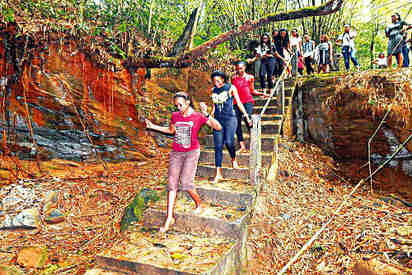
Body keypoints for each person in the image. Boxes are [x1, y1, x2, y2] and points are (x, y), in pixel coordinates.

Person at [145, 92, 222, 233]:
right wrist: (152, 126)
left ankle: (199, 203)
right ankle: (169, 218)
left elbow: (218, 127)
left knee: (186, 183)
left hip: (192, 152)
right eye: (176, 105)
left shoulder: (198, 116)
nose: (178, 107)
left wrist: (206, 114)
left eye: (181, 104)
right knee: (172, 184)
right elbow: (170, 130)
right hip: (176, 152)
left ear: (187, 102)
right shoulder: (175, 116)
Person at [210, 71, 252, 182]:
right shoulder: (213, 90)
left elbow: (238, 103)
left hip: (230, 119)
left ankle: (233, 159)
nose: (216, 83)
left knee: (229, 142)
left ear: (223, 79)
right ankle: (218, 173)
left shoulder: (231, 87)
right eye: (214, 81)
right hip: (218, 120)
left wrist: (246, 116)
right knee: (218, 146)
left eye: (218, 80)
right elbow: (214, 107)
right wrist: (210, 118)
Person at [231, 61, 265, 153]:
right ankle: (242, 146)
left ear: (245, 68)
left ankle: (255, 142)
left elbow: (252, 90)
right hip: (236, 102)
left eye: (241, 68)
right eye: (237, 68)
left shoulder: (250, 78)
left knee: (248, 120)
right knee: (236, 124)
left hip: (248, 101)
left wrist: (261, 93)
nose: (239, 70)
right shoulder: (233, 78)